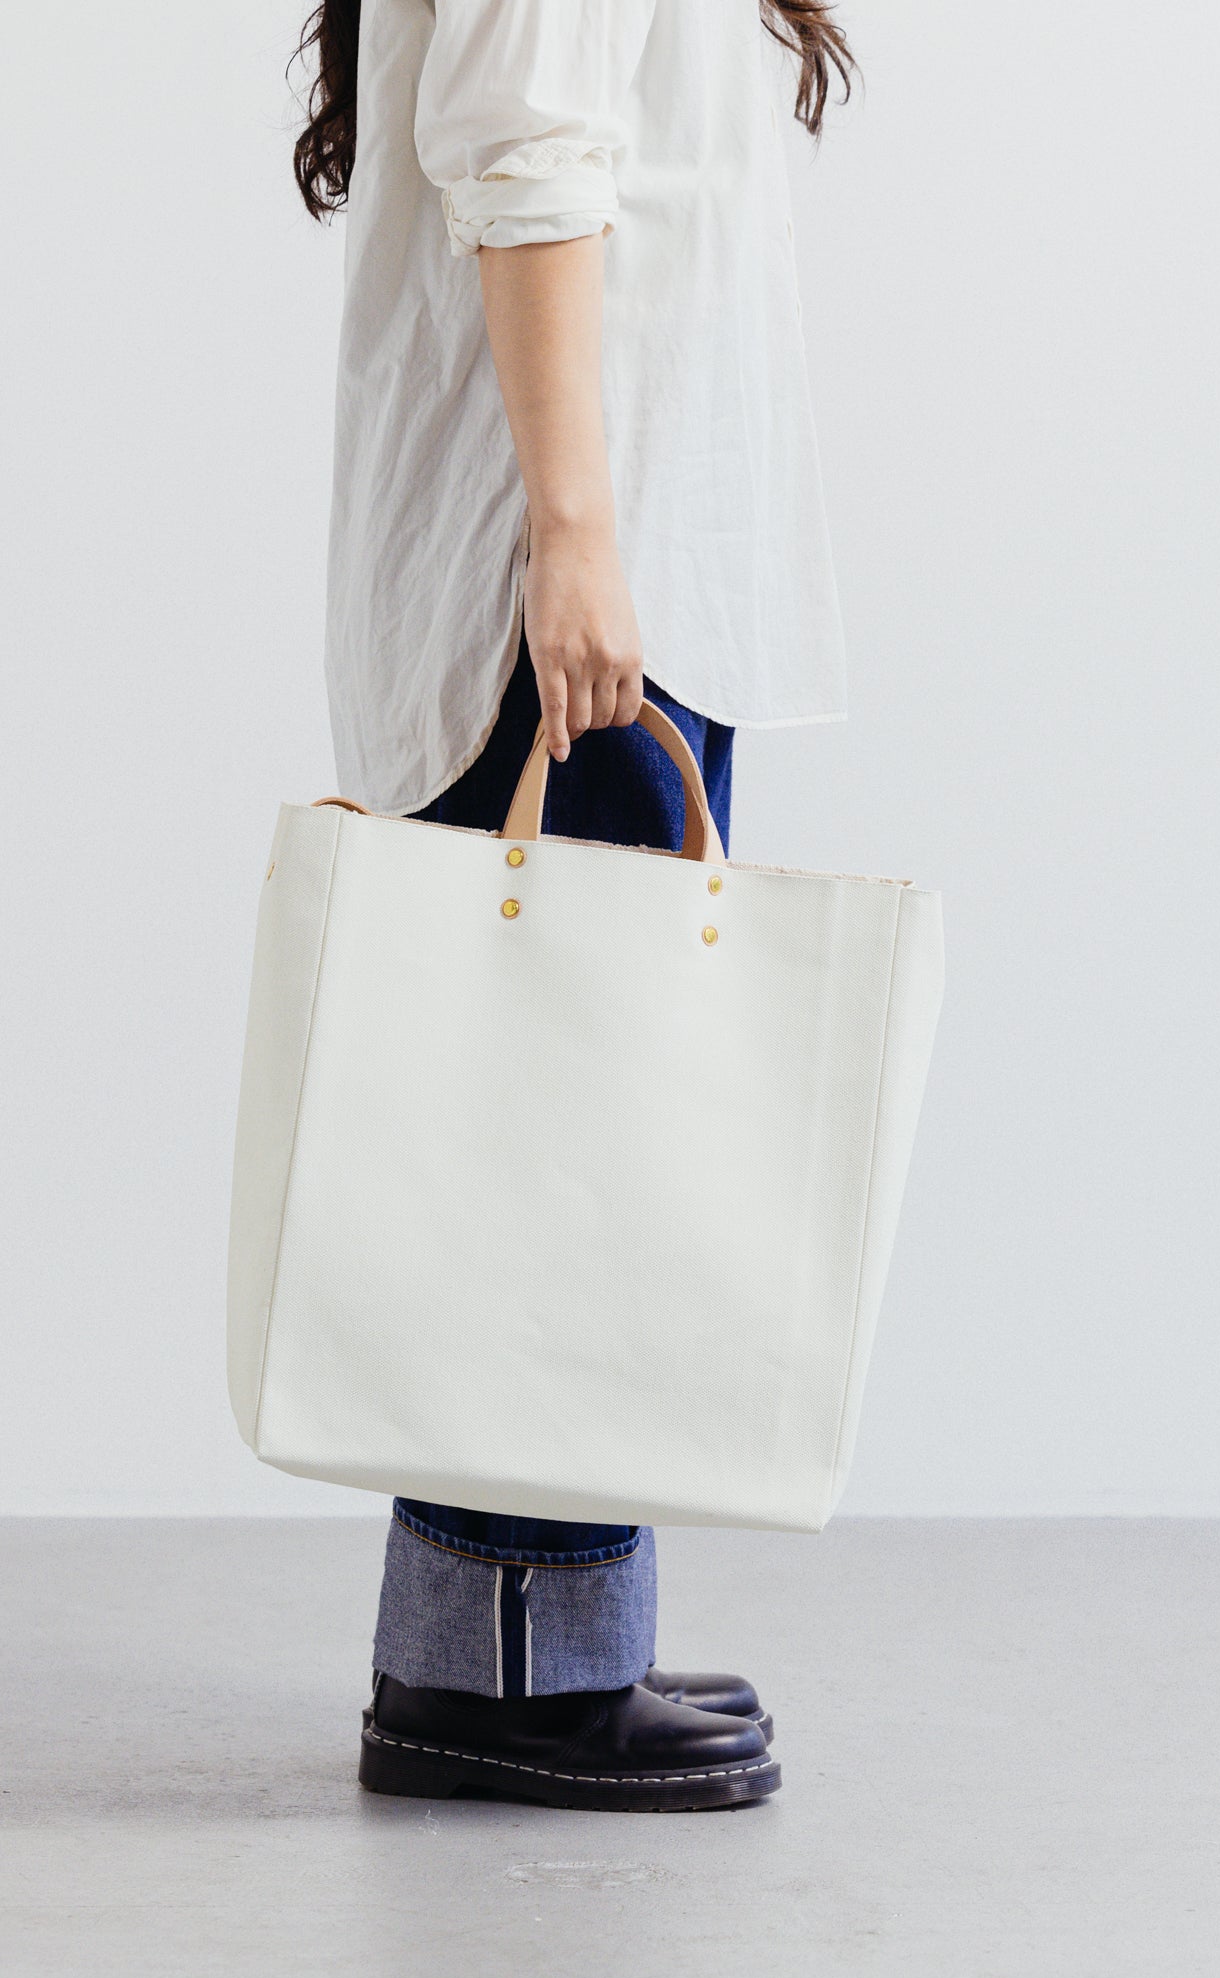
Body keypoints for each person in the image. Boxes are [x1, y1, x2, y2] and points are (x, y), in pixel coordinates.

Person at [293, 0, 854, 1810]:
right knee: (557, 1128)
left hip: (616, 550)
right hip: (568, 577)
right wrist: (578, 537)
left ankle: (531, 1644)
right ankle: (505, 1673)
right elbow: (527, 161)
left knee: (569, 1124)